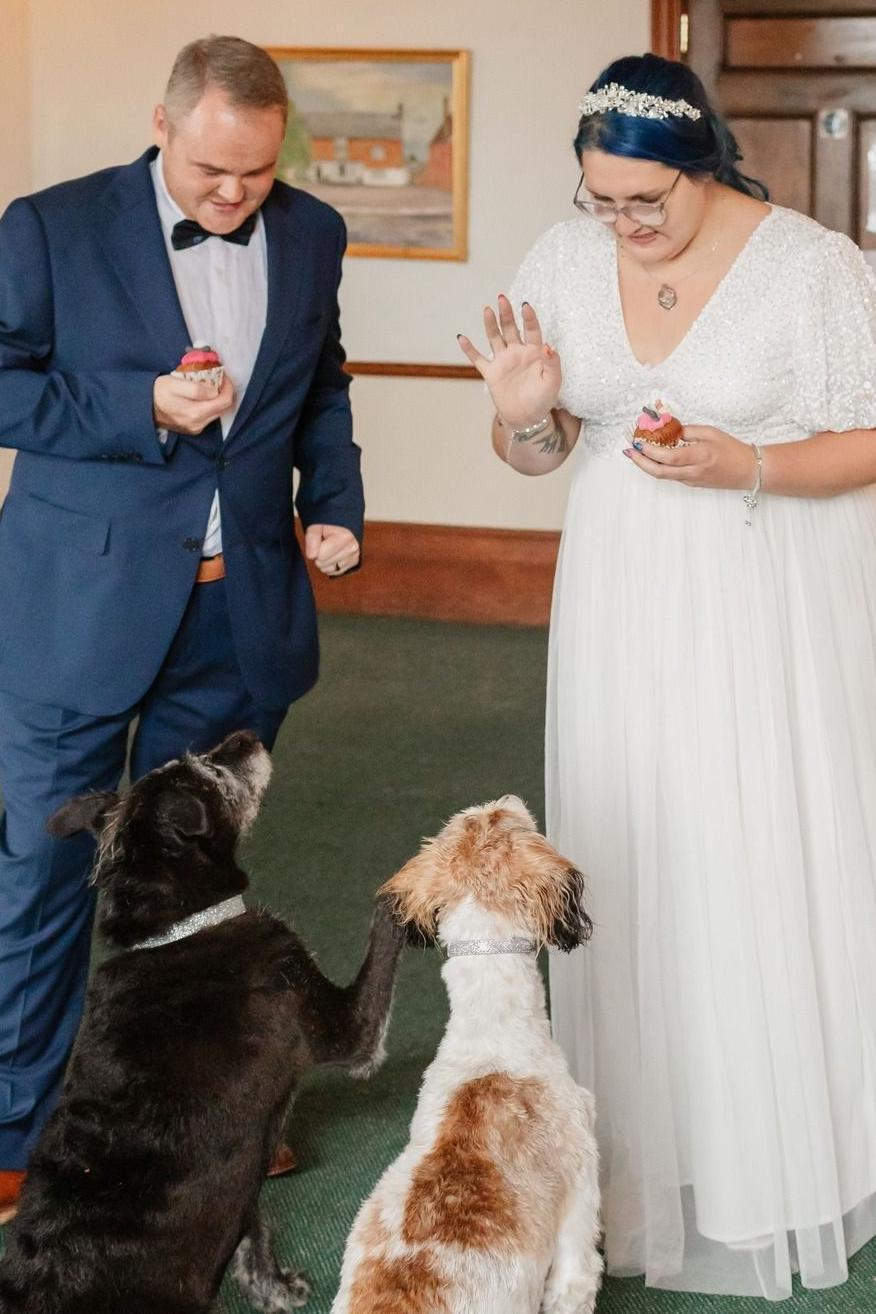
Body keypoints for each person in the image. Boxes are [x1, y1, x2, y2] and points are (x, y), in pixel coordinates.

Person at [459, 51, 876, 1301]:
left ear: (703, 165)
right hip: (620, 599)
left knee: (748, 846)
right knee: (632, 846)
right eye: (604, 200)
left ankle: (778, 1152)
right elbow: (537, 451)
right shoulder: (565, 257)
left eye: (650, 200)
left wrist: (739, 463)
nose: (627, 225)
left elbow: (870, 436)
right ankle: (643, 1155)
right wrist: (526, 412)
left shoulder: (810, 266)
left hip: (762, 596)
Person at [0, 35, 362, 1221]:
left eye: (255, 174)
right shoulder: (50, 226)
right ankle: (19, 1126)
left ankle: (194, 1104)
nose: (233, 195)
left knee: (194, 881)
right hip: (78, 604)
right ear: (162, 124)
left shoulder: (310, 233)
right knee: (43, 866)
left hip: (235, 608)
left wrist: (335, 508)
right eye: (213, 170)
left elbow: (321, 389)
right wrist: (137, 406)